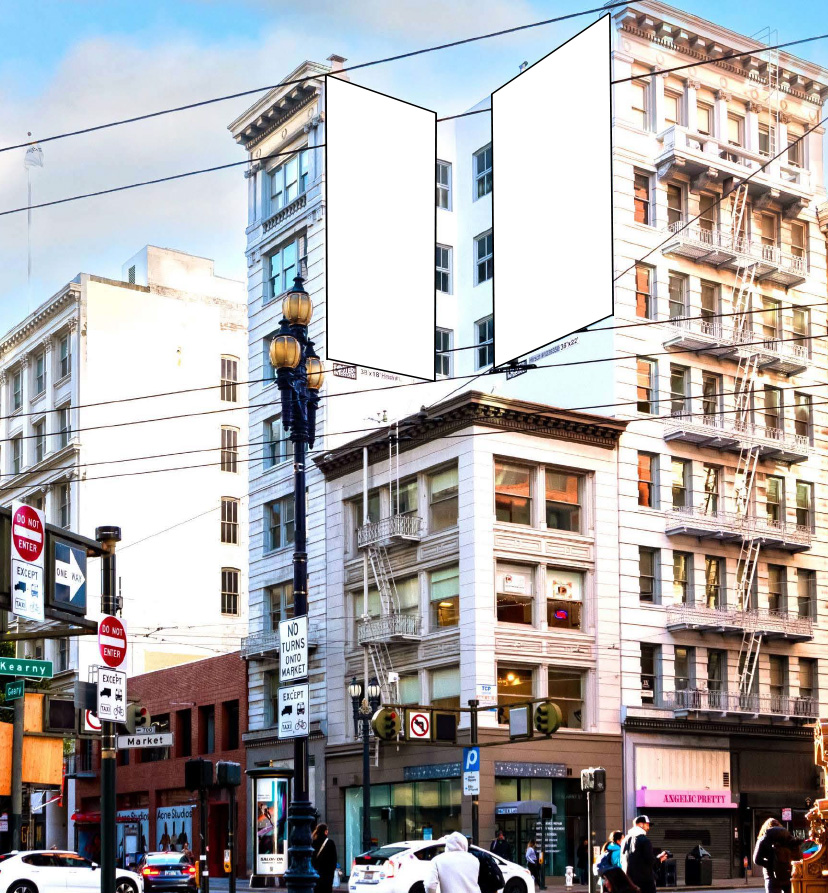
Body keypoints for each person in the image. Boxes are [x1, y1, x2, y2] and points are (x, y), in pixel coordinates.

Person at [753, 817, 802, 893]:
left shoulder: (764, 838)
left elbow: (756, 860)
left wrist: (771, 864)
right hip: (788, 874)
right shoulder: (788, 838)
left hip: (771, 876)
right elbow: (798, 856)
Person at [622, 816, 667, 893]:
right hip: (644, 882)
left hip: (629, 880)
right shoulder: (644, 840)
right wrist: (659, 859)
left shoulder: (625, 840)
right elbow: (649, 860)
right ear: (641, 825)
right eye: (647, 824)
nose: (648, 827)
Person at [311, 823, 338, 893]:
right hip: (327, 874)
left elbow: (311, 858)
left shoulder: (313, 843)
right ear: (325, 831)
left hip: (316, 873)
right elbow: (334, 859)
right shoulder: (330, 843)